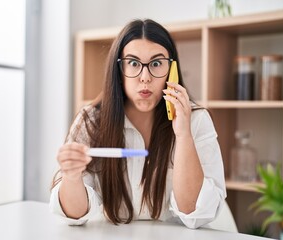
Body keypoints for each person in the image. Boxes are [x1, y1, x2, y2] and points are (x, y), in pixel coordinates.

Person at [49, 19, 226, 229]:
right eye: (133, 63)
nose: (145, 77)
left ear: (172, 69)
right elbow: (74, 215)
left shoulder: (196, 120)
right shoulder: (91, 120)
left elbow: (194, 212)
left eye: (156, 63)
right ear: (119, 69)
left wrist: (183, 134)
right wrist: (71, 176)